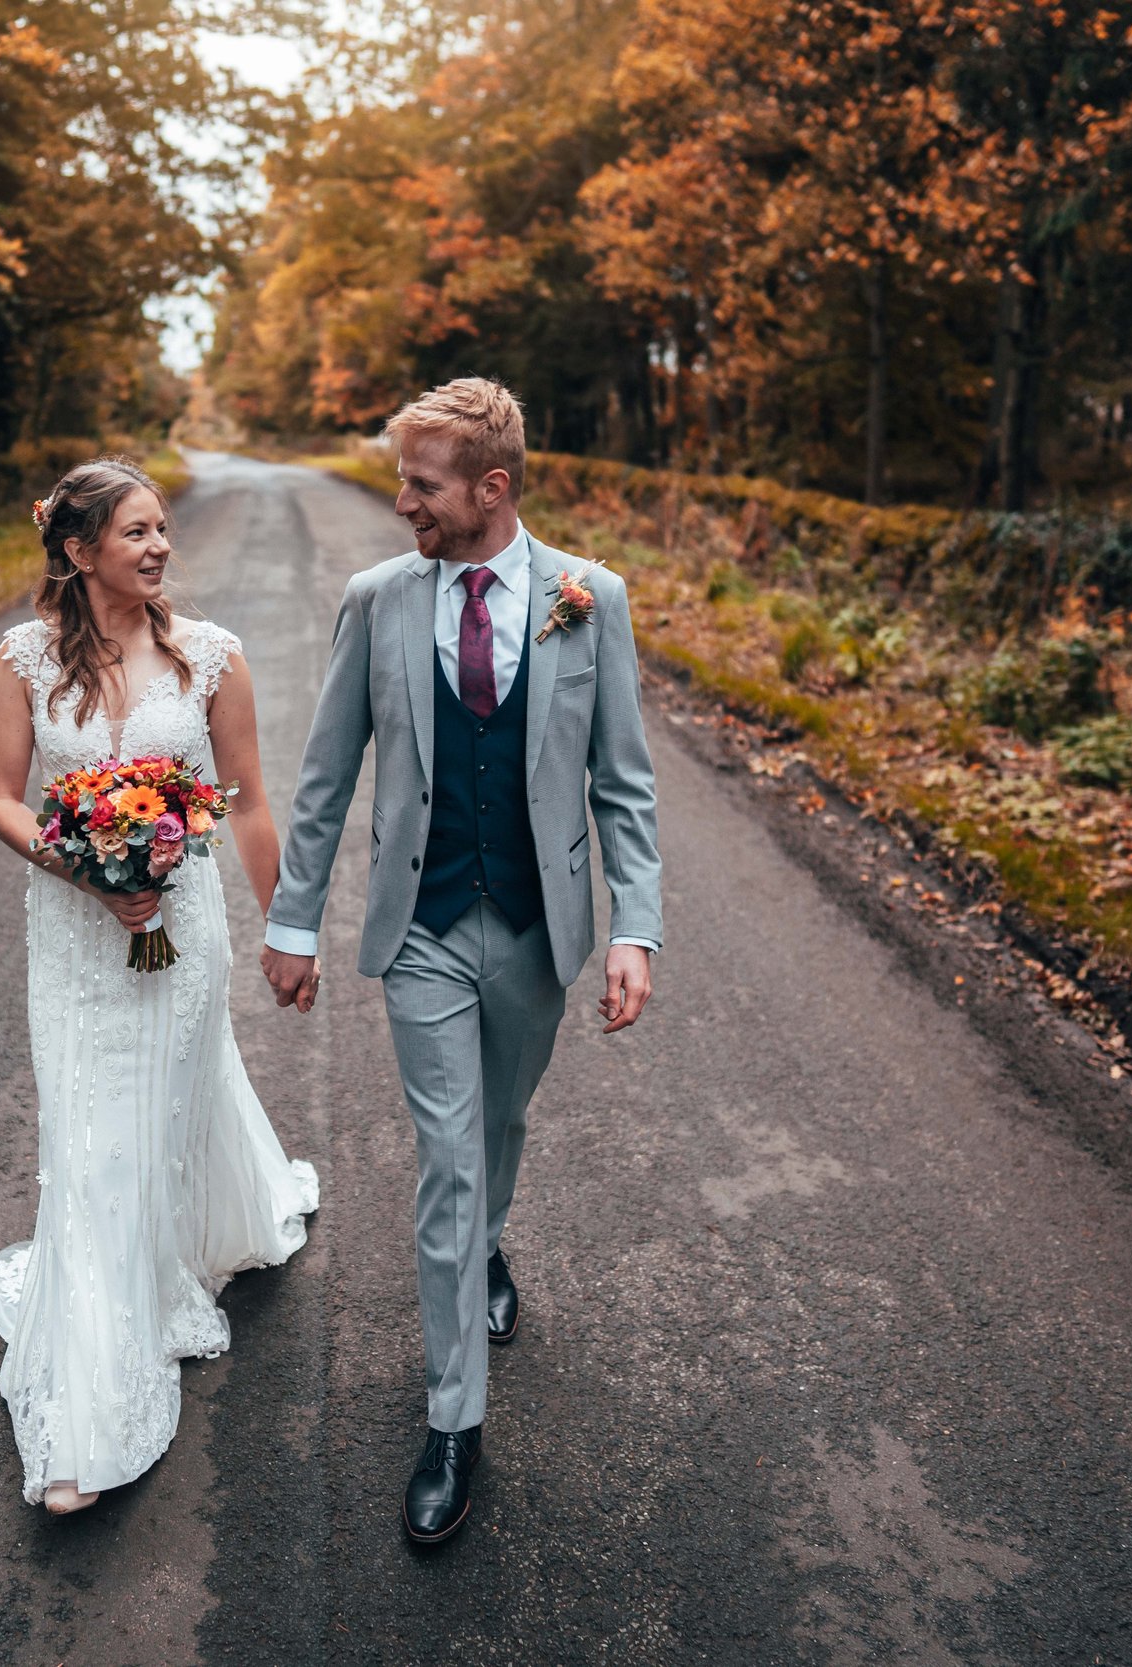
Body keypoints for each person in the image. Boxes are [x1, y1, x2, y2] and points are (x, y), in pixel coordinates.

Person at [261, 380, 663, 1543]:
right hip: (425, 925)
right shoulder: (376, 602)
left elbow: (624, 785)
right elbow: (327, 776)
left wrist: (633, 928)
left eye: (423, 486)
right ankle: (452, 1420)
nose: (403, 505)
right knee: (445, 1154)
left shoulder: (593, 602)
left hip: (539, 926)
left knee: (500, 1123)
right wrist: (293, 921)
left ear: (491, 489)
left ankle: (490, 1241)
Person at [0, 456, 319, 1515]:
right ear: (79, 552)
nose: (160, 546)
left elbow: (251, 800)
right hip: (76, 937)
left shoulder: (212, 656)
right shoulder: (24, 660)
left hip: (188, 929)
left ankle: (191, 1238)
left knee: (164, 1112)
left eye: (162, 528)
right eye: (135, 532)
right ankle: (90, 1410)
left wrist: (285, 926)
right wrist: (80, 865)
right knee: (86, 1140)